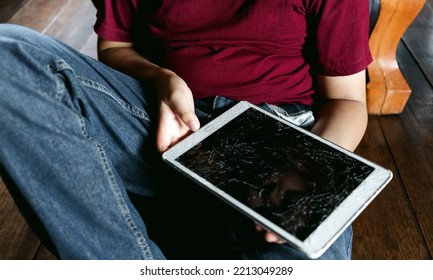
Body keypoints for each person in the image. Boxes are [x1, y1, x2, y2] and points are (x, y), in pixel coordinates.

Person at [0, 0, 371, 260]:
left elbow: (348, 101)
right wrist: (162, 80)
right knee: (8, 55)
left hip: (280, 140)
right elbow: (116, 46)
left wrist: (309, 170)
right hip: (159, 119)